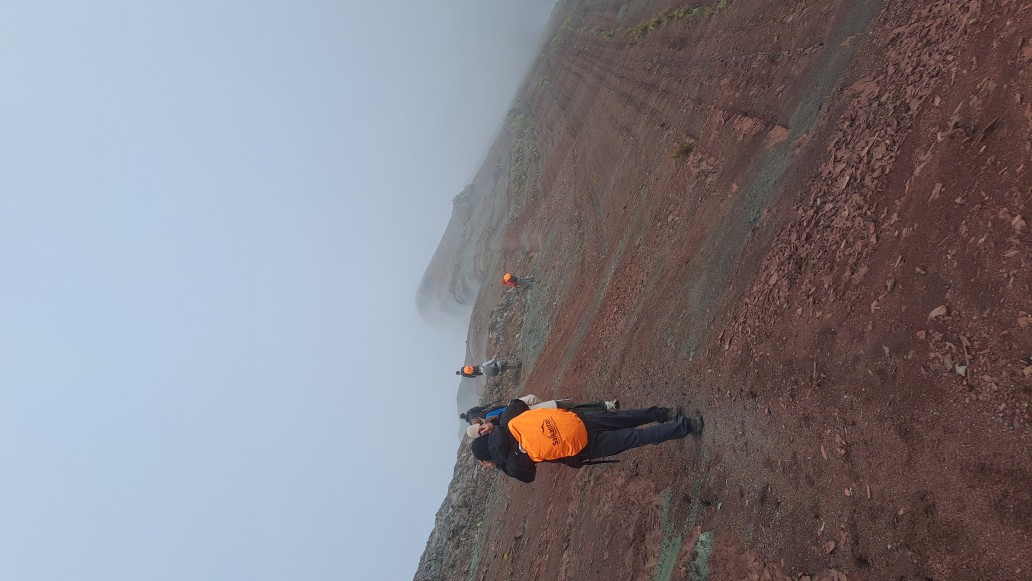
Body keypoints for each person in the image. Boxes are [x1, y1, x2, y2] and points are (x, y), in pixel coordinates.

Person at [470, 398, 702, 483]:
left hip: (582, 447)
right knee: (626, 418)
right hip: (578, 420)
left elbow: (527, 476)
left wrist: (499, 463)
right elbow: (518, 403)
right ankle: (665, 413)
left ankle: (688, 425)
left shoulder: (512, 464)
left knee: (636, 437)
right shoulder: (508, 419)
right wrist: (496, 423)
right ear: (486, 434)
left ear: (488, 458)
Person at [464, 394, 618, 436]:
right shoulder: (497, 414)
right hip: (544, 411)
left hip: (546, 427)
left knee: (581, 420)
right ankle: (607, 407)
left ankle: (610, 418)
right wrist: (540, 406)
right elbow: (529, 399)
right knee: (577, 410)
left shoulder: (499, 436)